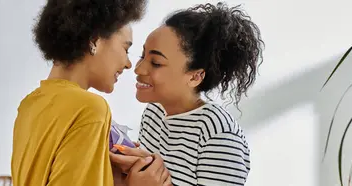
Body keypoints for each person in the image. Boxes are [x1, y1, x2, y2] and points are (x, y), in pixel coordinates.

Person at [11, 0, 171, 185]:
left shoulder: (29, 105)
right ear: (95, 41)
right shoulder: (89, 108)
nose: (128, 64)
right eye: (125, 49)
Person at [111, 2, 264, 186]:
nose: (138, 68)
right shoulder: (154, 112)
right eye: (143, 56)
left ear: (195, 77)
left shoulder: (219, 133)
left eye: (156, 63)